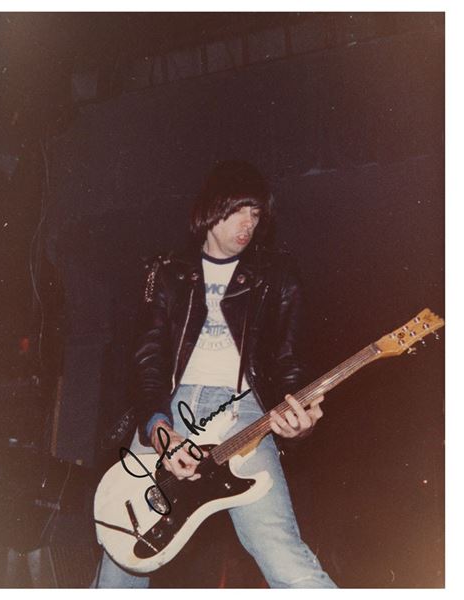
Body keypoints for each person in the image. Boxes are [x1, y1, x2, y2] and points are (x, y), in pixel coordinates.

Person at [94, 160, 337, 588]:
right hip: (170, 409)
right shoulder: (167, 272)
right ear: (210, 210)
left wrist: (300, 423)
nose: (249, 223)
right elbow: (147, 362)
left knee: (280, 550)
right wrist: (160, 431)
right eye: (239, 210)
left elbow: (288, 364)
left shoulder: (277, 277)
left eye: (256, 214)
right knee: (123, 556)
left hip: (245, 413)